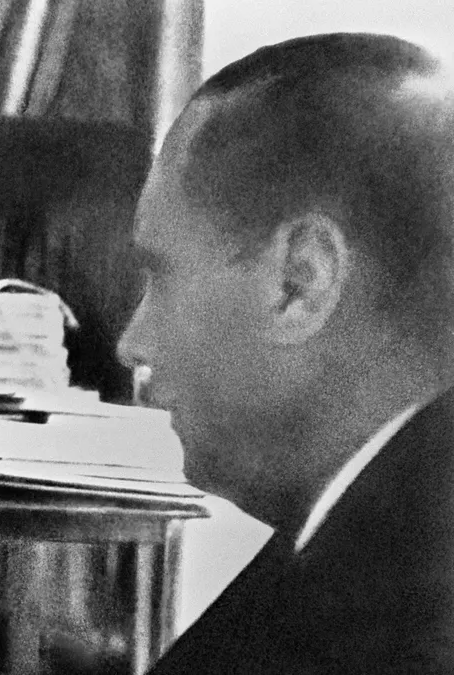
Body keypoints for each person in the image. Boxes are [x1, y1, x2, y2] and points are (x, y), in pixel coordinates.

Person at [118, 33, 454, 673]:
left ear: (299, 283)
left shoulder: (394, 625)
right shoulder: (376, 548)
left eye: (162, 276)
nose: (133, 343)